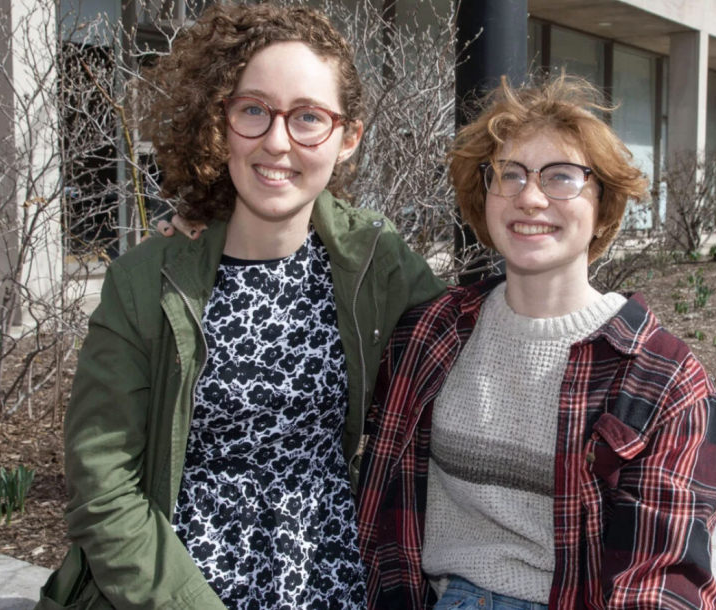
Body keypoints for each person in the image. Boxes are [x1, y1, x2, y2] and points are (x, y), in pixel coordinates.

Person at [36, 5, 445, 610]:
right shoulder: (145, 282)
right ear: (220, 121)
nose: (277, 141)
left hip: (331, 584)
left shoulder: (377, 264)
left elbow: (469, 348)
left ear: (347, 137)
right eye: (253, 109)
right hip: (175, 590)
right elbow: (103, 487)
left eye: (308, 117)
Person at [353, 76, 716, 610]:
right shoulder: (430, 333)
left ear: (602, 205)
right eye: (509, 175)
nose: (530, 198)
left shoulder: (661, 378)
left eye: (561, 178)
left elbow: (662, 579)